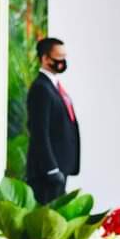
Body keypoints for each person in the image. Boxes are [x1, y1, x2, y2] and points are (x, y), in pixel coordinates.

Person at [26, 37, 80, 204]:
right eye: (59, 57)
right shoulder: (41, 88)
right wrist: (51, 168)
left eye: (64, 57)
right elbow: (39, 133)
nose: (62, 62)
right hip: (47, 172)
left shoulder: (54, 86)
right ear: (45, 58)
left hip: (60, 167)